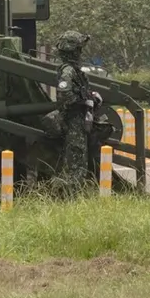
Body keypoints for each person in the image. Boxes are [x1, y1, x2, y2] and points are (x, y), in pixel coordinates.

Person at [54, 30, 97, 190]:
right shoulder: (68, 71)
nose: (81, 52)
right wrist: (83, 102)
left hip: (78, 120)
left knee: (79, 157)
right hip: (73, 121)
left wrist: (90, 97)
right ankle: (70, 192)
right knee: (76, 158)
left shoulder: (74, 70)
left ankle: (73, 189)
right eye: (79, 49)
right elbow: (65, 94)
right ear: (73, 51)